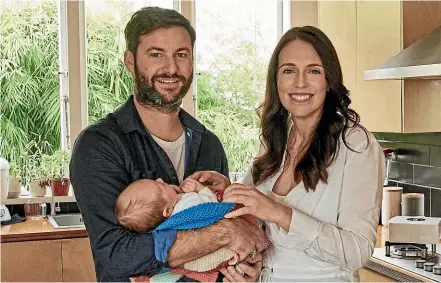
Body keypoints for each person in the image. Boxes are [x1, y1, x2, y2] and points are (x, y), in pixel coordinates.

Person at [70, 7, 266, 282]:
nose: (171, 68)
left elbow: (232, 229)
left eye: (181, 55)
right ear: (130, 61)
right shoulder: (100, 146)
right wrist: (227, 233)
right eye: (156, 54)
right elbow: (116, 257)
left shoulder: (209, 144)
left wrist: (246, 265)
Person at [191, 26, 385, 282]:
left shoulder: (355, 143)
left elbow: (357, 251)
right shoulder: (275, 138)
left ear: (329, 81)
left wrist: (277, 211)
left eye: (314, 71)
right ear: (277, 80)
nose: (300, 82)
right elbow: (254, 221)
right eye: (289, 71)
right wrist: (229, 192)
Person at [114, 178, 220, 234]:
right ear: (168, 211)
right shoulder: (190, 202)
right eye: (161, 186)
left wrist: (177, 193)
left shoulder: (165, 224)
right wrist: (200, 188)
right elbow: (213, 205)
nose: (160, 179)